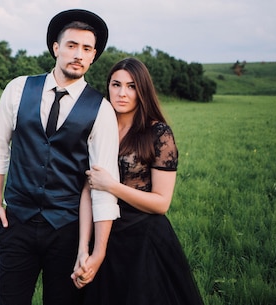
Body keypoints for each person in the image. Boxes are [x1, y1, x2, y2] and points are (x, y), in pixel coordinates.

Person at [0, 9, 121, 305]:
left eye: (86, 49)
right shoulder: (18, 89)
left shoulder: (102, 110)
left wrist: (96, 251)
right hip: (15, 223)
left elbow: (103, 187)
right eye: (71, 45)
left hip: (67, 230)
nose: (78, 55)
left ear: (94, 55)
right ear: (56, 48)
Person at [75, 57, 204, 304]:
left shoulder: (158, 134)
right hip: (104, 232)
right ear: (108, 87)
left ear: (142, 90)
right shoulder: (97, 128)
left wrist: (112, 186)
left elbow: (161, 203)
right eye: (116, 84)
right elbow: (87, 190)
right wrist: (84, 246)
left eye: (132, 86)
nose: (122, 93)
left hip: (143, 238)